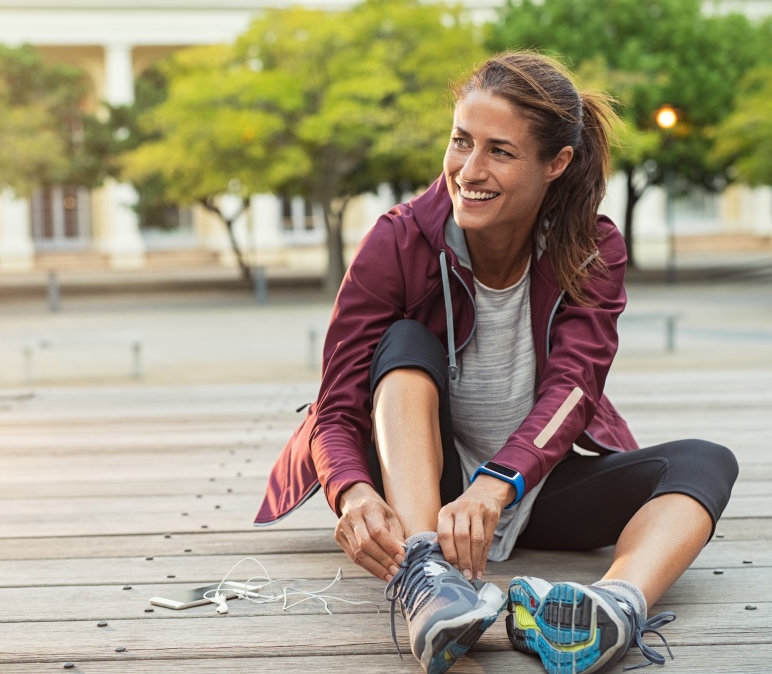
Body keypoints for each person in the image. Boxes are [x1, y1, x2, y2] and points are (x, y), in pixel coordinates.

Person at [255, 51, 738, 674]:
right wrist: (351, 493)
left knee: (704, 461)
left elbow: (575, 387)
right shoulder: (398, 240)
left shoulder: (593, 248)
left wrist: (499, 483)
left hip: (525, 487)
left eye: (500, 151)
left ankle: (614, 608)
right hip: (428, 493)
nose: (469, 170)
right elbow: (336, 403)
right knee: (404, 343)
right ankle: (427, 576)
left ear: (556, 163)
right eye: (461, 142)